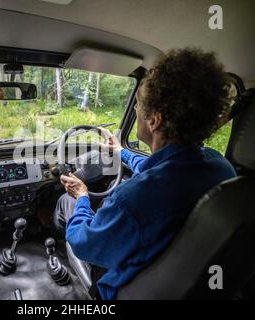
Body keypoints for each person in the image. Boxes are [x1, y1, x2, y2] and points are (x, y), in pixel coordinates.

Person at [53, 48, 237, 300]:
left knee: (67, 203)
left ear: (154, 120)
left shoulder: (133, 200)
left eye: (138, 105)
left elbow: (84, 243)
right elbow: (160, 170)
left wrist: (83, 196)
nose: (137, 110)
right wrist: (120, 151)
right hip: (179, 276)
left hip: (122, 286)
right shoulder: (220, 166)